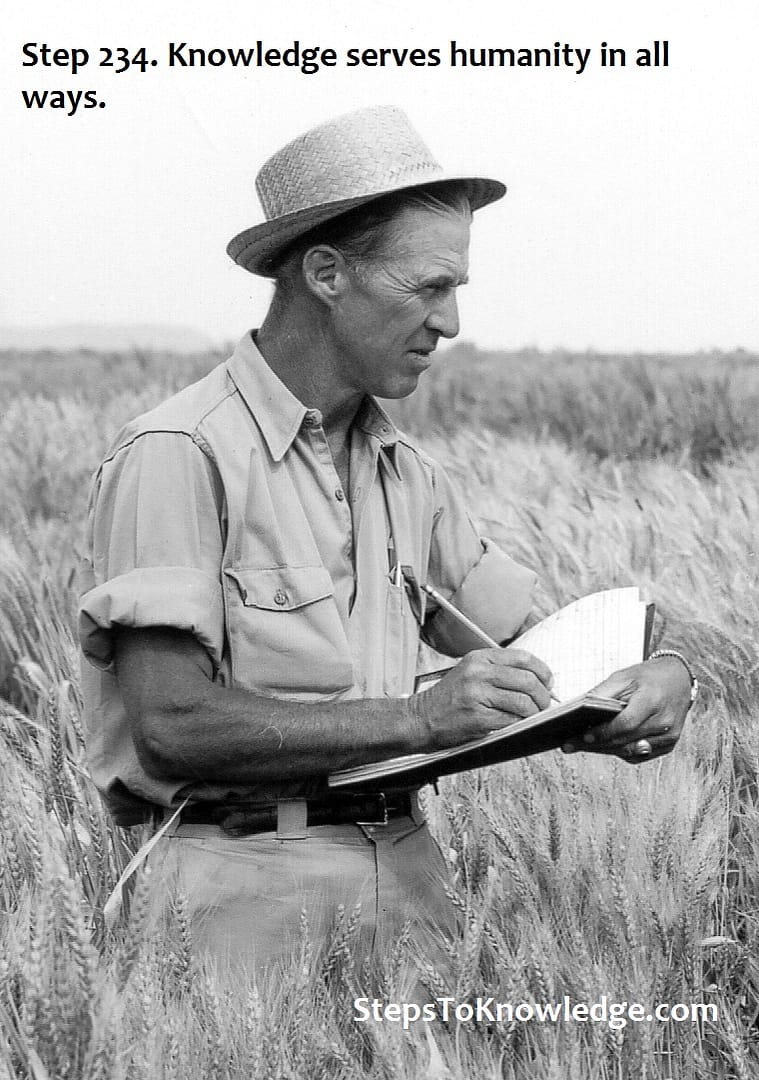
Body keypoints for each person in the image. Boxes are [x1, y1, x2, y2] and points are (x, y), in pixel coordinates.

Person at [79, 105, 695, 973]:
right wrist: (417, 716)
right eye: (427, 287)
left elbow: (536, 646)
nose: (449, 323)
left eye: (456, 291)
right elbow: (170, 725)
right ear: (327, 272)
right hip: (233, 902)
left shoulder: (410, 475)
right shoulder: (180, 454)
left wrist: (654, 677)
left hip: (410, 886)